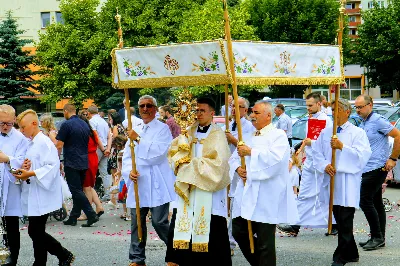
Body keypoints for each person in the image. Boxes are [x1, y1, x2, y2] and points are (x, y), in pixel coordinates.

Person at [229, 100, 298, 266]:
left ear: (268, 115)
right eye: (252, 112)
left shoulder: (278, 135)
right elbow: (233, 158)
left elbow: (276, 161)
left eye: (256, 113)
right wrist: (238, 168)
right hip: (247, 192)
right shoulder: (248, 136)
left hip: (267, 195)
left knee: (265, 240)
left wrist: (251, 152)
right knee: (238, 230)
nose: (252, 116)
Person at [165, 97, 232, 266]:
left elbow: (219, 164)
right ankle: (182, 261)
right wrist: (181, 161)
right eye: (196, 110)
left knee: (211, 226)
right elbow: (174, 153)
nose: (198, 114)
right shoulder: (187, 132)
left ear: (212, 113)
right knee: (184, 222)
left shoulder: (218, 135)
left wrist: (191, 167)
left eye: (202, 110)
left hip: (208, 189)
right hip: (189, 188)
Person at [313, 98, 372, 266]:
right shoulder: (326, 132)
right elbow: (316, 153)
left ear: (347, 112)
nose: (333, 113)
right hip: (332, 180)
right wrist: (325, 165)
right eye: (332, 110)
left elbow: (363, 156)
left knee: (345, 220)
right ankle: (352, 253)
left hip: (347, 181)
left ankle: (340, 256)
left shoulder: (357, 133)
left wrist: (342, 147)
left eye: (337, 109)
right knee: (339, 219)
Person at [13, 109, 74, 266]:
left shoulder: (44, 142)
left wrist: (31, 172)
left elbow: (52, 167)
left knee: (35, 231)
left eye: (23, 127)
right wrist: (26, 167)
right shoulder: (32, 142)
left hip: (42, 194)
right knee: (37, 232)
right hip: (35, 192)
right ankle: (40, 262)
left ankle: (63, 254)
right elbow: (34, 163)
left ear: (34, 124)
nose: (21, 131)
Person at [122, 95, 176, 266]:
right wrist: (129, 171)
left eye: (149, 106)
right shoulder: (135, 127)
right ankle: (137, 258)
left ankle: (176, 252)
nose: (145, 109)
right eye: (141, 106)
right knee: (137, 221)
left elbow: (159, 154)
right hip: (139, 181)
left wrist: (138, 139)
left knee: (159, 222)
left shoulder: (162, 129)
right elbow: (127, 156)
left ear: (155, 108)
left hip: (157, 181)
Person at [278, 92, 334, 236]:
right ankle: (330, 223)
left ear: (319, 104)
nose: (307, 108)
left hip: (320, 163)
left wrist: (312, 143)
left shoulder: (325, 121)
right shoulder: (311, 119)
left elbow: (327, 143)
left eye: (310, 105)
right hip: (310, 160)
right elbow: (308, 138)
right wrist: (301, 149)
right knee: (309, 194)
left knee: (318, 194)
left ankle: (298, 225)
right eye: (306, 105)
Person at [355, 95, 400, 250]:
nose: (358, 110)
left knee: (364, 201)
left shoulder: (378, 120)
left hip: (377, 167)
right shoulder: (364, 122)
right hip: (367, 167)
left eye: (361, 107)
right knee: (376, 202)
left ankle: (377, 236)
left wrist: (393, 158)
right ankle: (379, 238)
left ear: (370, 105)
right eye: (356, 107)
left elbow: (397, 135)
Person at [56, 103, 99, 227]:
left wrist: (56, 159)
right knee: (78, 190)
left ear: (65, 111)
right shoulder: (84, 124)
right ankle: (74, 216)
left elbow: (59, 145)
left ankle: (90, 214)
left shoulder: (66, 124)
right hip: (84, 160)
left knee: (75, 190)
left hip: (72, 160)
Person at [222, 96, 254, 256]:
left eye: (239, 107)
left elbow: (245, 148)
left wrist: (233, 139)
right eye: (232, 106)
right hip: (226, 168)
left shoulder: (249, 127)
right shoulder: (227, 125)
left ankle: (231, 242)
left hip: (238, 171)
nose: (234, 109)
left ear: (245, 110)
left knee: (235, 205)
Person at [0, 104, 29, 266]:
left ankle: (12, 259)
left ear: (14, 120)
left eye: (8, 124)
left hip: (10, 189)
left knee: (10, 226)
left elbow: (23, 162)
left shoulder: (20, 139)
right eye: (1, 123)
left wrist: (8, 159)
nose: (4, 126)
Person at [76, 114, 105, 221]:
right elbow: (99, 143)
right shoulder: (92, 132)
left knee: (86, 187)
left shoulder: (82, 133)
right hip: (93, 157)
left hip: (86, 158)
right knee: (90, 185)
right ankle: (99, 206)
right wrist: (104, 150)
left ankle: (87, 212)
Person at [87, 105, 112, 202]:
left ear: (89, 113)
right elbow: (109, 136)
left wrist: (102, 148)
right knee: (104, 172)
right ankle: (107, 193)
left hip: (97, 148)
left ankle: (91, 193)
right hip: (106, 147)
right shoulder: (104, 121)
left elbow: (95, 136)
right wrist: (108, 148)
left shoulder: (92, 121)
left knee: (92, 171)